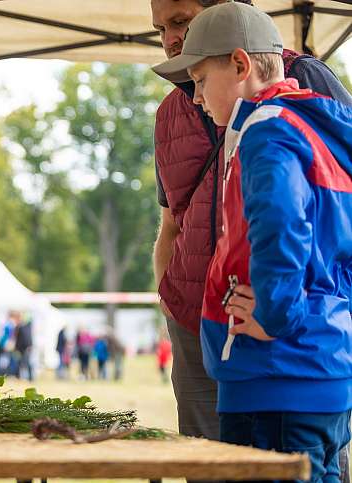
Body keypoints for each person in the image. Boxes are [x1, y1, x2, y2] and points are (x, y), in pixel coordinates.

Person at [153, 3, 352, 482]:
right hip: (315, 360)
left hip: (279, 370)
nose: (195, 98)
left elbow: (280, 227)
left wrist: (272, 313)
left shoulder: (265, 129)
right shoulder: (310, 122)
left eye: (200, 81)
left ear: (240, 66)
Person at [14, 315, 34, 381]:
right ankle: (26, 377)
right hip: (25, 348)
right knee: (24, 363)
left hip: (23, 348)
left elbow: (20, 340)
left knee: (24, 363)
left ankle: (25, 377)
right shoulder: (28, 328)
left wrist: (16, 348)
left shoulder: (22, 328)